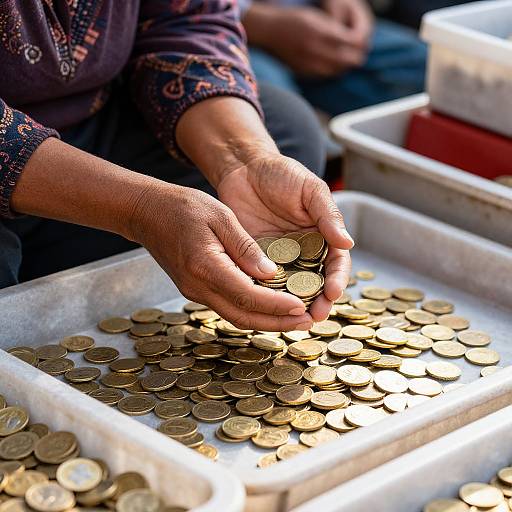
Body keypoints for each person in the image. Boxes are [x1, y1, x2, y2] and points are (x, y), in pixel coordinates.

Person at [0, 0, 353, 332]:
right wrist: (138, 209)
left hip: (93, 118)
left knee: (286, 131)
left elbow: (185, 21)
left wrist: (244, 158)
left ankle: (55, 269)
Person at [241, 0, 427, 117]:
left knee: (431, 71)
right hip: (232, 35)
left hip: (319, 17)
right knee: (282, 117)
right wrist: (263, 26)